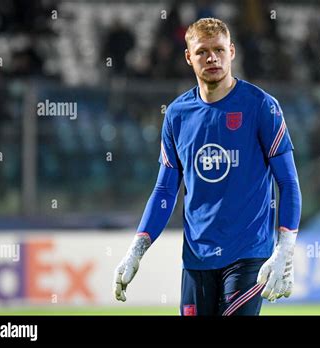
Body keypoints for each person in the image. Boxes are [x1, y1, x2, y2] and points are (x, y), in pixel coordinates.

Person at [113, 18, 302, 316]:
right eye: (202, 51)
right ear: (189, 57)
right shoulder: (176, 115)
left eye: (219, 49)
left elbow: (288, 183)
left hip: (248, 254)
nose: (212, 57)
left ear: (232, 52)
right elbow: (164, 190)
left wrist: (285, 250)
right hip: (196, 259)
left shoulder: (262, 106)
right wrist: (137, 249)